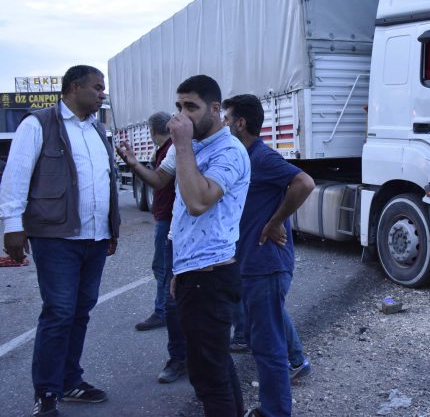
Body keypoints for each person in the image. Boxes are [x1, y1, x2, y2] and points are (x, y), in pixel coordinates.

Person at [117, 75, 250, 416]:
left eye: (191, 106)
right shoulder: (195, 148)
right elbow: (164, 183)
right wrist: (133, 163)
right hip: (193, 270)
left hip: (212, 275)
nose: (182, 115)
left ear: (216, 109)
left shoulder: (229, 151)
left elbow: (197, 202)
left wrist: (182, 145)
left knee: (208, 378)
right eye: (178, 106)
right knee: (215, 365)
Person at [0, 65, 120, 417]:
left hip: (95, 239)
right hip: (55, 237)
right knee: (59, 312)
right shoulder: (38, 124)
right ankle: (48, 391)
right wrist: (11, 226)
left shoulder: (99, 130)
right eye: (97, 87)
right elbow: (16, 176)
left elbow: (106, 182)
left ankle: (70, 381)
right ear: (73, 87)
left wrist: (111, 229)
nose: (102, 94)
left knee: (80, 311)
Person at [222, 94, 315, 417]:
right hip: (250, 264)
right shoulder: (241, 157)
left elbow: (304, 182)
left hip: (266, 265)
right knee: (265, 338)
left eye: (226, 118)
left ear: (240, 123)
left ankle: (275, 412)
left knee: (267, 346)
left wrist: (275, 221)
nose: (223, 123)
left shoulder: (260, 157)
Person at [134, 111, 172, 332]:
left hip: (166, 217)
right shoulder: (167, 150)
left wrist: (136, 165)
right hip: (167, 216)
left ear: (152, 130)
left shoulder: (168, 151)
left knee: (163, 267)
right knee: (167, 267)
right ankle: (167, 309)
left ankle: (162, 311)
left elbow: (159, 182)